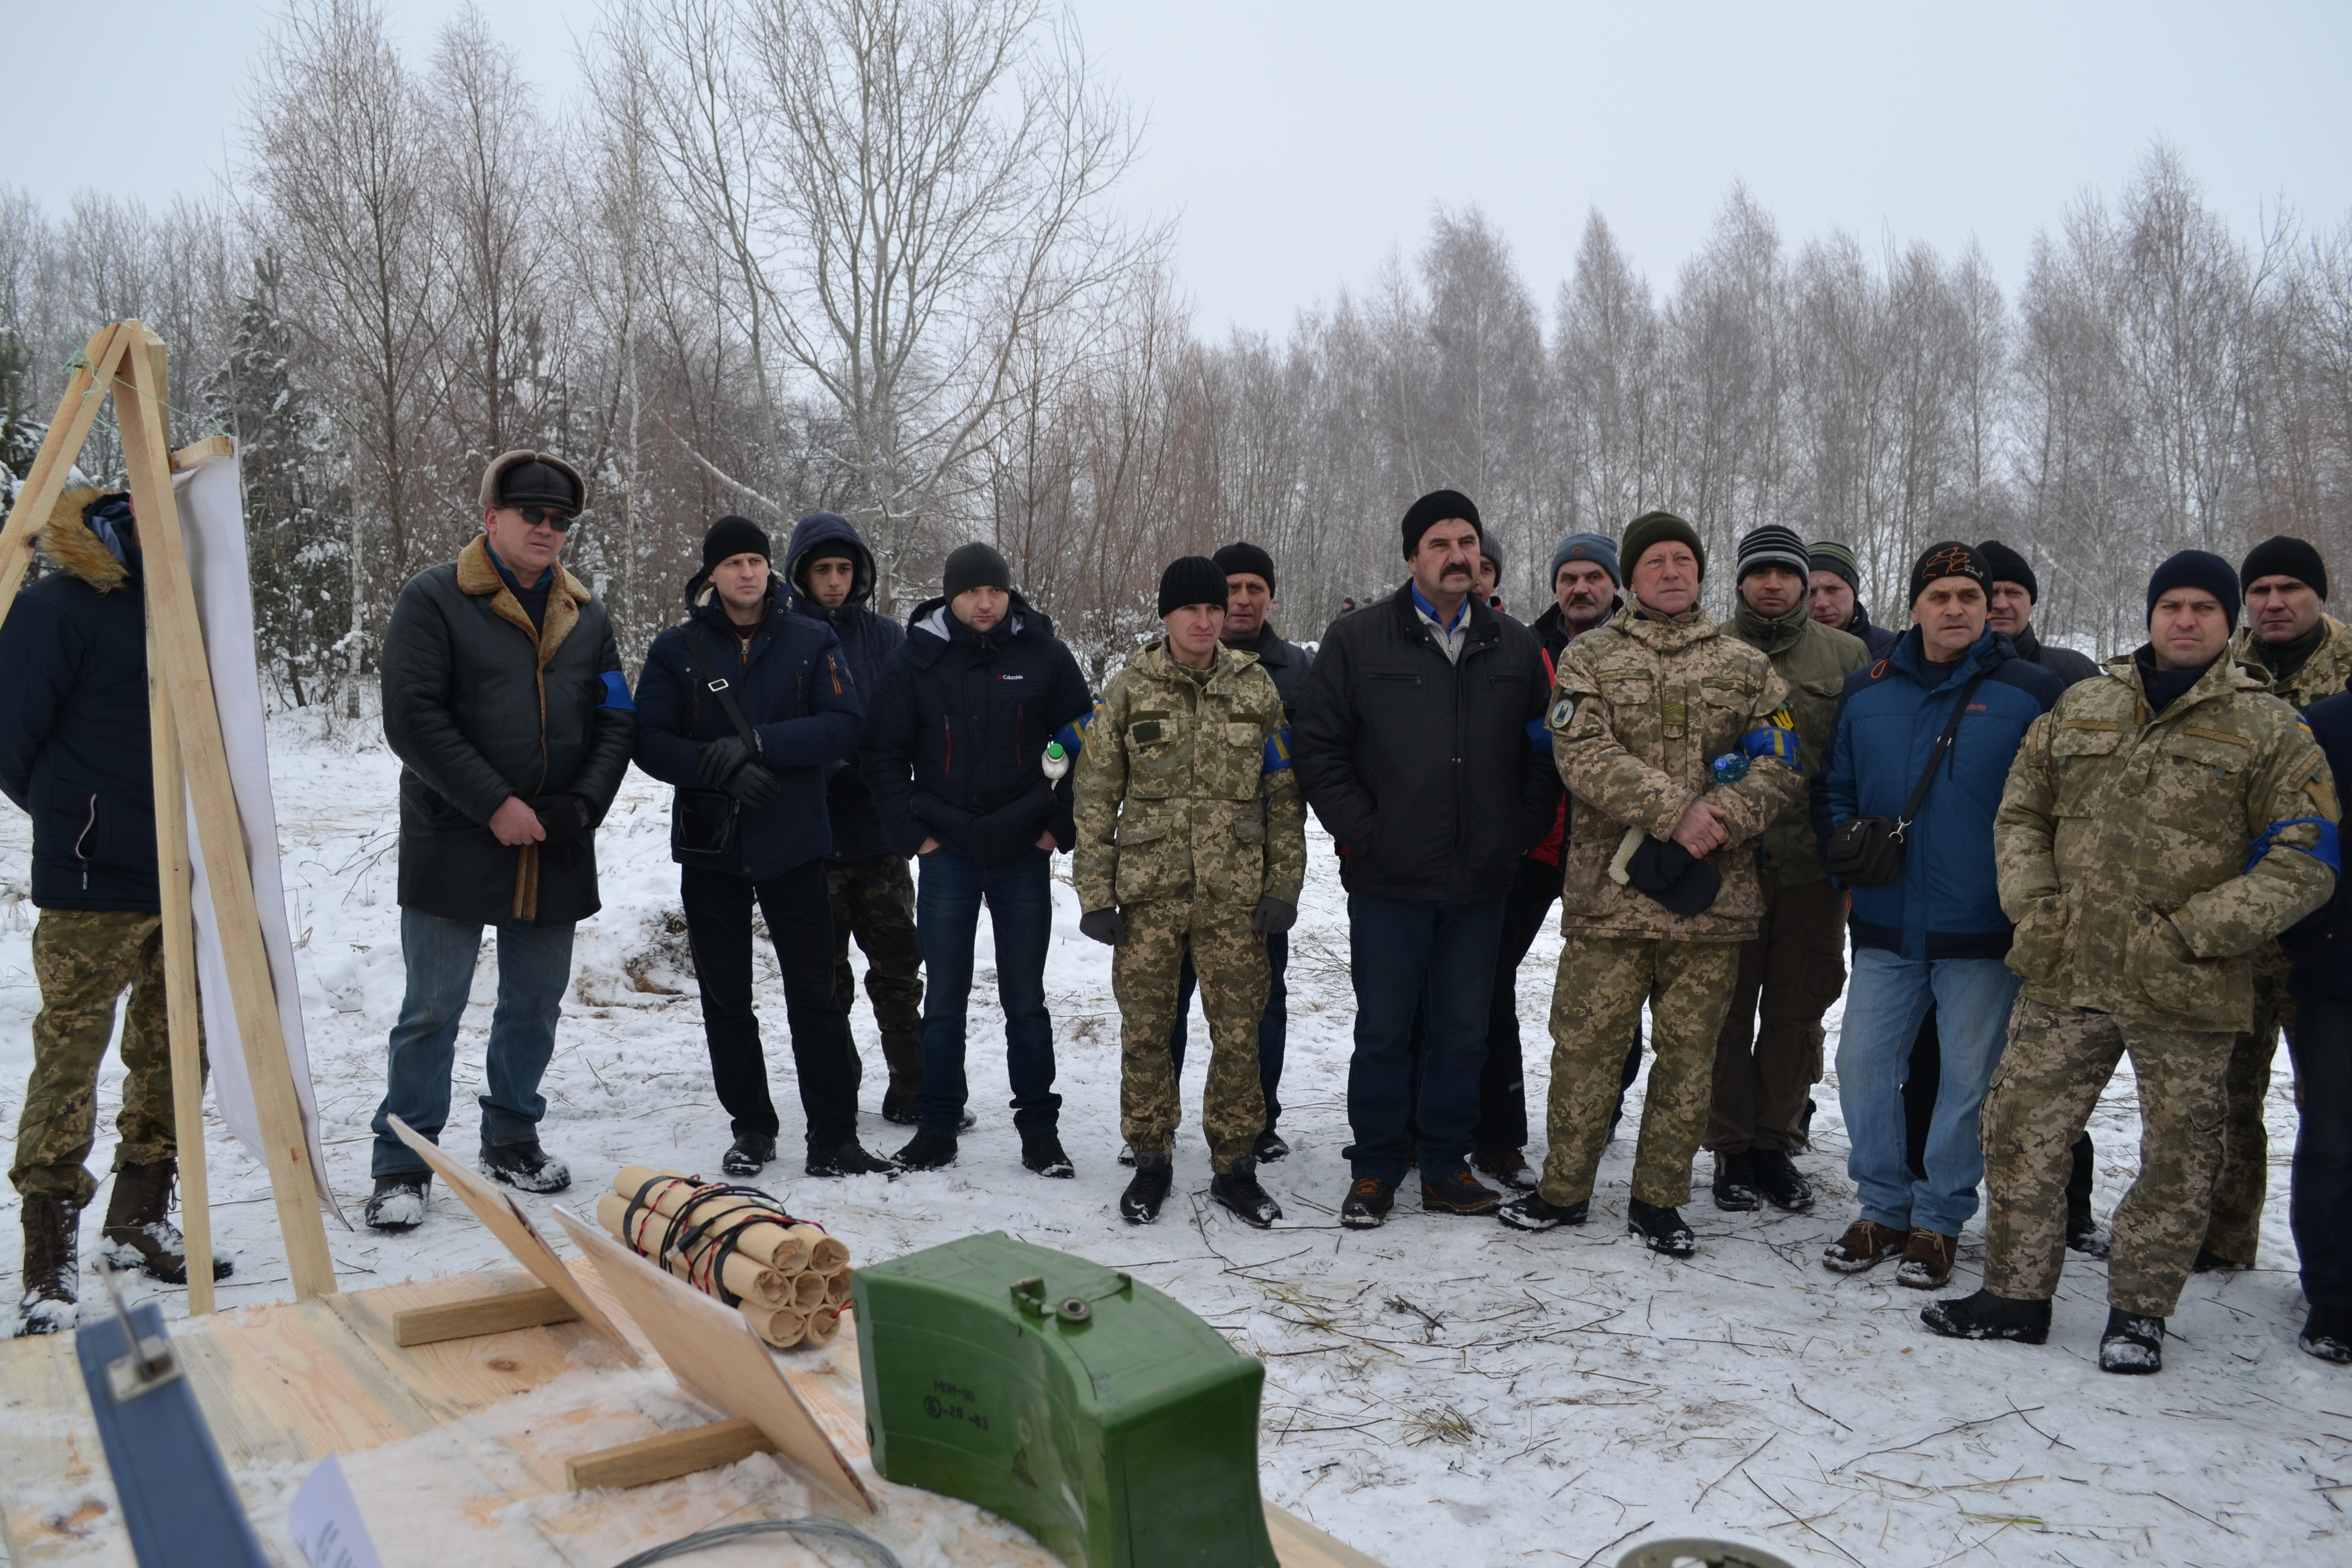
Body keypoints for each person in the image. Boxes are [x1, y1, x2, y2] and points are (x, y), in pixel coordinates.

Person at [1925, 550, 2337, 1375]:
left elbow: (2305, 856)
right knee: (2018, 1130)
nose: (2184, 620)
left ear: (2230, 624)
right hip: (2065, 964)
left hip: (2184, 977)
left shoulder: (2270, 729)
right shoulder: (2085, 703)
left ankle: (2139, 1311)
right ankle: (2014, 1293)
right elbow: (2020, 810)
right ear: (2148, 615)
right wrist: (2034, 904)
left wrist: (2197, 930)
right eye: (2169, 606)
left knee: (2180, 1153)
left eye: (2203, 609)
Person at [1499, 510, 1803, 1255]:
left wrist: (1722, 817)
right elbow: (1582, 753)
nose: (1671, 572)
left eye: (1683, 561)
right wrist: (1677, 812)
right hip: (1613, 901)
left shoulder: (1746, 668)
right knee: (1584, 1050)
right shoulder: (1590, 659)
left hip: (1711, 906)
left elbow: (1784, 759)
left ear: (1700, 575)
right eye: (1655, 562)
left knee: (1689, 1059)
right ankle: (1563, 1189)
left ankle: (1660, 1200)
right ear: (1630, 579)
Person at [368, 451, 635, 1229]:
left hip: (554, 840)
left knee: (535, 1004)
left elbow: (618, 712)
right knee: (432, 1006)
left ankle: (511, 1136)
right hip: (456, 834)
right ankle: (403, 1163)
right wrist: (493, 803)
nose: (547, 530)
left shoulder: (589, 614)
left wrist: (586, 801)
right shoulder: (435, 599)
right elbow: (412, 716)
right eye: (532, 516)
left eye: (560, 521)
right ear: (491, 519)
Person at [2, 488, 232, 1332]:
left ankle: (139, 1217)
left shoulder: (193, 610)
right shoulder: (58, 606)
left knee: (177, 1051)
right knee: (69, 1061)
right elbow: (11, 739)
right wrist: (80, 818)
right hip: (91, 880)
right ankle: (47, 1252)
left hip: (184, 874)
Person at [1293, 490, 1555, 1228]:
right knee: (1383, 1029)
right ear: (1412, 557)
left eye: (1467, 541)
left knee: (1463, 1031)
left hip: (1482, 880)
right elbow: (1319, 747)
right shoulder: (1359, 639)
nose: (1457, 555)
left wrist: (1517, 829)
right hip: (1388, 879)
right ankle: (1377, 1165)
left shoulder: (1512, 646)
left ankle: (1443, 1164)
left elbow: (1544, 752)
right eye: (1439, 543)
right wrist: (1363, 831)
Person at [1814, 544, 2063, 1289]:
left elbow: (2058, 805)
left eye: (1968, 596)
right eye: (1939, 596)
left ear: (1990, 608)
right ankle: (1882, 1207)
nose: (1954, 608)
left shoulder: (2032, 692)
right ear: (1914, 605)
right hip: (1888, 927)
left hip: (1983, 931)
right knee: (1861, 1068)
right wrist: (1846, 869)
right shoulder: (1868, 690)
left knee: (1967, 1081)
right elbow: (1835, 791)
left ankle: (1940, 1221)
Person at [633, 517, 896, 1179]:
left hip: (795, 839)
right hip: (712, 845)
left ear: (769, 568)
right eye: (733, 563)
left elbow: (844, 724)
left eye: (755, 560)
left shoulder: (811, 641)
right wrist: (716, 765)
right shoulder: (678, 649)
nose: (746, 573)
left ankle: (833, 1136)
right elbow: (649, 739)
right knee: (726, 996)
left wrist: (761, 745)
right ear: (711, 575)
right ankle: (752, 1126)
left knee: (814, 994)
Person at [1075, 557, 1306, 1227]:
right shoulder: (1129, 689)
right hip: (1149, 899)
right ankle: (1151, 1159)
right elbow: (1094, 795)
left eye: (1213, 609)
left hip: (1235, 898)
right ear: (1167, 616)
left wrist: (1283, 886)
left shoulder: (1254, 688)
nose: (1205, 620)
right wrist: (1096, 894)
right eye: (1190, 610)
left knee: (1239, 1034)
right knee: (1147, 1031)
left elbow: (1284, 794)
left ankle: (1236, 1166)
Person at [1897, 539, 2104, 1257]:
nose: (1996, 603)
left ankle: (2067, 1210)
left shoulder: (2063, 679)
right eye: (1944, 595)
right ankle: (1929, 1194)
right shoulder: (1911, 679)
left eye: (2005, 592)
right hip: (1943, 920)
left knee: (2040, 1074)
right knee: (1940, 1064)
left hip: (2031, 916)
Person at [861, 543, 1092, 1177]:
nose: (985, 603)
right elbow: (881, 754)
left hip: (1023, 850)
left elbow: (1085, 741)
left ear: (1009, 593)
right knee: (944, 1000)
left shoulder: (1042, 654)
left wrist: (1057, 827)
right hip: (948, 855)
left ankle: (1039, 1132)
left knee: (1026, 1000)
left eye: (995, 591)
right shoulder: (916, 659)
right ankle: (937, 1126)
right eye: (971, 593)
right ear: (950, 596)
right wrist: (916, 835)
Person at [1706, 524, 1868, 1214]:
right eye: (1760, 571)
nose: (1773, 583)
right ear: (1740, 581)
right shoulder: (1709, 649)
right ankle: (1731, 1149)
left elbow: (1860, 756)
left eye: (1787, 573)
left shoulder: (1848, 655)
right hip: (1726, 865)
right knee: (1726, 1010)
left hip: (1811, 868)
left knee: (1797, 1010)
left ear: (1806, 582)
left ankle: (1776, 1144)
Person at [2200, 536, 2352, 1271]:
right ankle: (2224, 1239)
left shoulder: (2348, 674)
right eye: (2259, 590)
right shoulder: (2220, 673)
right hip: (2242, 927)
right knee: (2230, 1092)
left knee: (2332, 1111)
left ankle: (2330, 1262)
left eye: (2290, 588)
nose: (2273, 603)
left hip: (2330, 931)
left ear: (2319, 595)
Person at [1462, 532, 1630, 1192]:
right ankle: (1498, 1132)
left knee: (1614, 992)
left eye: (1594, 577)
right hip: (1535, 846)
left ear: (1615, 585)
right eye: (1569, 578)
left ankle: (1604, 1110)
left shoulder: (1641, 651)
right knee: (1490, 980)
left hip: (1617, 852)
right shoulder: (1523, 644)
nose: (1581, 588)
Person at [1159, 542, 1313, 1165]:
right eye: (1232, 590)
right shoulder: (1152, 675)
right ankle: (1158, 1122)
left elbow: (1299, 779)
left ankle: (1259, 1119)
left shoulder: (1295, 673)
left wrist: (1284, 882)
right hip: (1173, 877)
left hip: (1248, 878)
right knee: (1166, 1003)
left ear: (1269, 597)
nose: (1241, 602)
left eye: (1255, 589)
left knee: (1258, 1008)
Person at [781, 511, 928, 1126]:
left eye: (845, 569)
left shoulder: (888, 638)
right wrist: (827, 776)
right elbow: (779, 729)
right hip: (811, 841)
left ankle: (914, 1087)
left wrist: (883, 784)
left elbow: (909, 720)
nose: (835, 581)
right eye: (823, 570)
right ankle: (837, 1089)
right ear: (802, 576)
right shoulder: (782, 637)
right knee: (825, 983)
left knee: (898, 971)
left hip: (880, 836)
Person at [2280, 679, 2352, 1364]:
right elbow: (2294, 840)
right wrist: (2313, 937)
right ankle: (2333, 1291)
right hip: (2339, 971)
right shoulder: (2324, 726)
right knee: (2333, 1136)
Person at [1807, 541, 1898, 658]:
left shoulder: (1893, 650)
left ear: (1854, 592)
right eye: (1811, 592)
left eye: (1833, 590)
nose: (1822, 604)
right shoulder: (1788, 653)